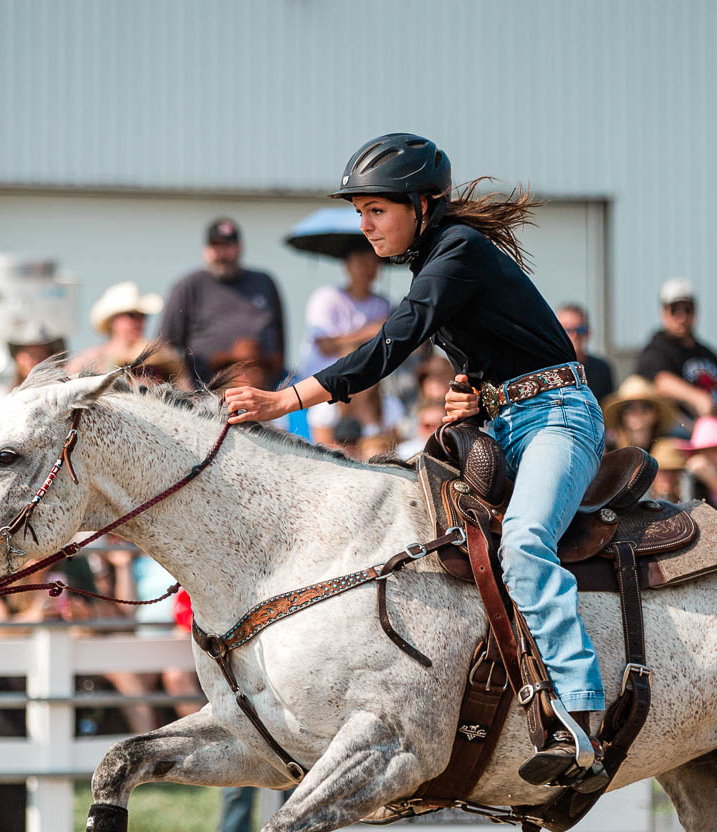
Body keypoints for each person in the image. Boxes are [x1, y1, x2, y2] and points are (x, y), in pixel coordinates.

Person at [223, 132, 609, 790]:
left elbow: (390, 345)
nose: (365, 225)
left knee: (522, 543)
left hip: (559, 417)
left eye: (377, 210)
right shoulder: (441, 257)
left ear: (423, 206)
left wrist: (285, 397)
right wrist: (477, 396)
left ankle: (581, 719)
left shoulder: (456, 252)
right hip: (514, 420)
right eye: (360, 211)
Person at [158, 218, 287, 389]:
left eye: (228, 246)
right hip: (205, 392)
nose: (222, 254)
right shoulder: (189, 286)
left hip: (261, 388)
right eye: (216, 247)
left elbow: (280, 341)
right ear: (206, 250)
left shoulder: (264, 282)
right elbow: (166, 346)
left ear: (240, 248)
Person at [635, 279, 717, 427]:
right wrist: (697, 398)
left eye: (687, 309)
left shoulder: (708, 354)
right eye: (674, 310)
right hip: (678, 436)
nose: (682, 318)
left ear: (695, 312)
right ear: (663, 312)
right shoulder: (656, 348)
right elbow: (660, 381)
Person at [298, 248, 390, 379]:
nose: (367, 269)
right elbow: (325, 346)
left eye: (373, 263)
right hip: (321, 382)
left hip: (364, 382)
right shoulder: (326, 297)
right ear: (347, 265)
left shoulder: (382, 304)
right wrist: (371, 332)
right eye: (362, 262)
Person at [70, 282, 183, 383]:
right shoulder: (91, 358)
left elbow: (184, 386)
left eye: (143, 316)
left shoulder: (161, 354)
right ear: (113, 320)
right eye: (132, 315)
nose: (139, 321)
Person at [555, 304, 615, 403]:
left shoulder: (601, 369)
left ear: (588, 333)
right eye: (568, 330)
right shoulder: (544, 369)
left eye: (580, 330)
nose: (575, 335)